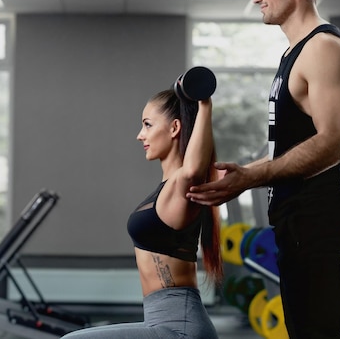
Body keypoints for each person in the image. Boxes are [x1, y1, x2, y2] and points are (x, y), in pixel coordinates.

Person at [186, 0, 340, 339]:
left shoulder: (324, 48)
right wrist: (245, 173)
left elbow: (334, 142)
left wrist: (251, 177)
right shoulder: (293, 54)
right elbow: (293, 141)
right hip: (294, 218)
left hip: (318, 215)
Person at [61, 84, 223, 338]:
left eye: (147, 125)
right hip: (161, 322)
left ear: (174, 128)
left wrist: (204, 104)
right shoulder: (166, 188)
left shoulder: (183, 184)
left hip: (179, 328)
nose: (140, 135)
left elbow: (192, 170)